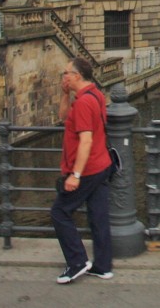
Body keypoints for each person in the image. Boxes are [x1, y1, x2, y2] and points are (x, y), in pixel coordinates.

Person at [51, 57, 113, 284]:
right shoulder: (94, 94)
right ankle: (103, 266)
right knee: (98, 216)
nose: (63, 77)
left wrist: (75, 175)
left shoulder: (85, 102)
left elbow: (85, 141)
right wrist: (65, 94)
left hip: (87, 169)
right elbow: (64, 117)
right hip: (101, 165)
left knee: (59, 212)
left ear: (77, 76)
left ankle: (77, 261)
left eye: (66, 73)